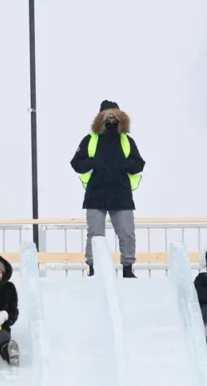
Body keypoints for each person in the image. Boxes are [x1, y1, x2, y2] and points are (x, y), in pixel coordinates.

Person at [70, 99, 145, 278]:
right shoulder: (90, 140)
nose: (111, 120)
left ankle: (128, 269)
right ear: (100, 118)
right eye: (107, 116)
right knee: (95, 234)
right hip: (96, 195)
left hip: (121, 195)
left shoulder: (127, 140)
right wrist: (94, 162)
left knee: (127, 233)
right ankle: (93, 269)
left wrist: (124, 165)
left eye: (114, 116)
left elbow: (139, 164)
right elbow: (76, 163)